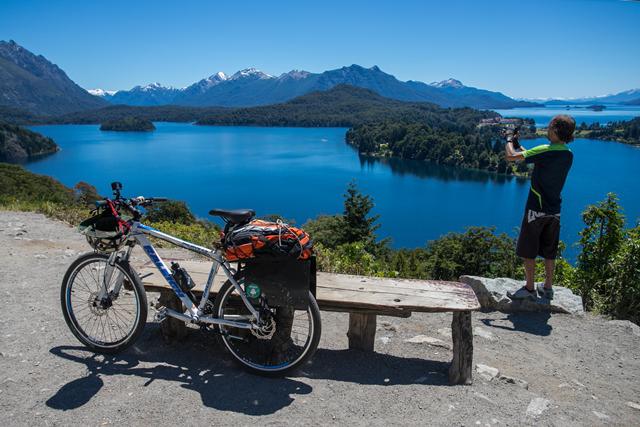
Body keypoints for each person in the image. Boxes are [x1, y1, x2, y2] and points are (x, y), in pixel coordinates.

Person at [504, 115, 575, 301]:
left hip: (536, 208)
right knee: (549, 250)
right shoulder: (567, 154)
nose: (547, 129)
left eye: (550, 126)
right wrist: (519, 143)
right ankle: (548, 287)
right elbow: (535, 156)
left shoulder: (546, 150)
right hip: (554, 210)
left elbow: (511, 157)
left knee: (529, 249)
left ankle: (529, 288)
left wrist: (509, 140)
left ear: (556, 130)